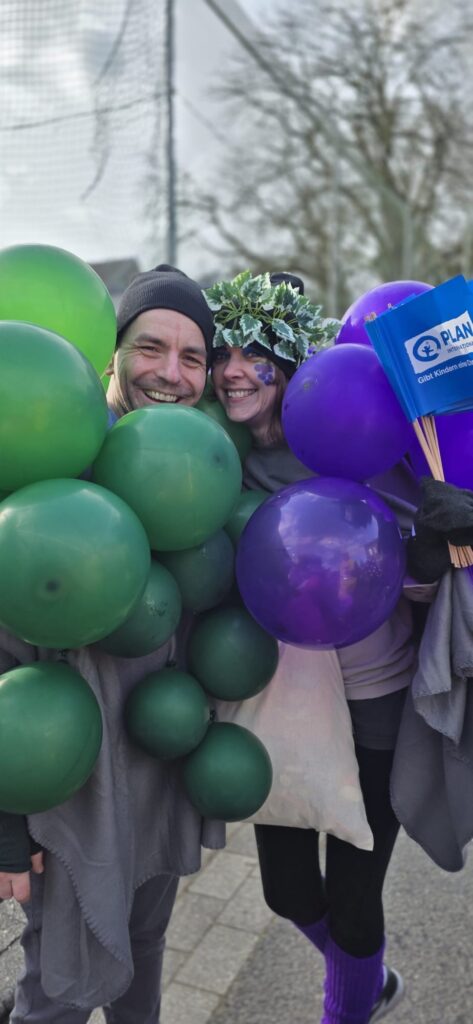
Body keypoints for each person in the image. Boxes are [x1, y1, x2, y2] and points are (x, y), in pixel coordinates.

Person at [208, 269, 443, 1024]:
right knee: (285, 892)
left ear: (290, 363)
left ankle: (348, 1005)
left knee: (352, 899)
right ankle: (370, 983)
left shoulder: (351, 432)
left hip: (377, 701)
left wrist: (428, 554)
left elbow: (427, 572)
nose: (234, 371)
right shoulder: (217, 453)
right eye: (223, 354)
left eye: (255, 354)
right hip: (283, 700)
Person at [0, 264, 224, 1024]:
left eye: (192, 357)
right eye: (150, 348)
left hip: (160, 764)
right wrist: (6, 820)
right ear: (113, 355)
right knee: (60, 980)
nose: (170, 373)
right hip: (66, 779)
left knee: (145, 944)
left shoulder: (199, 471)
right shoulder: (48, 459)